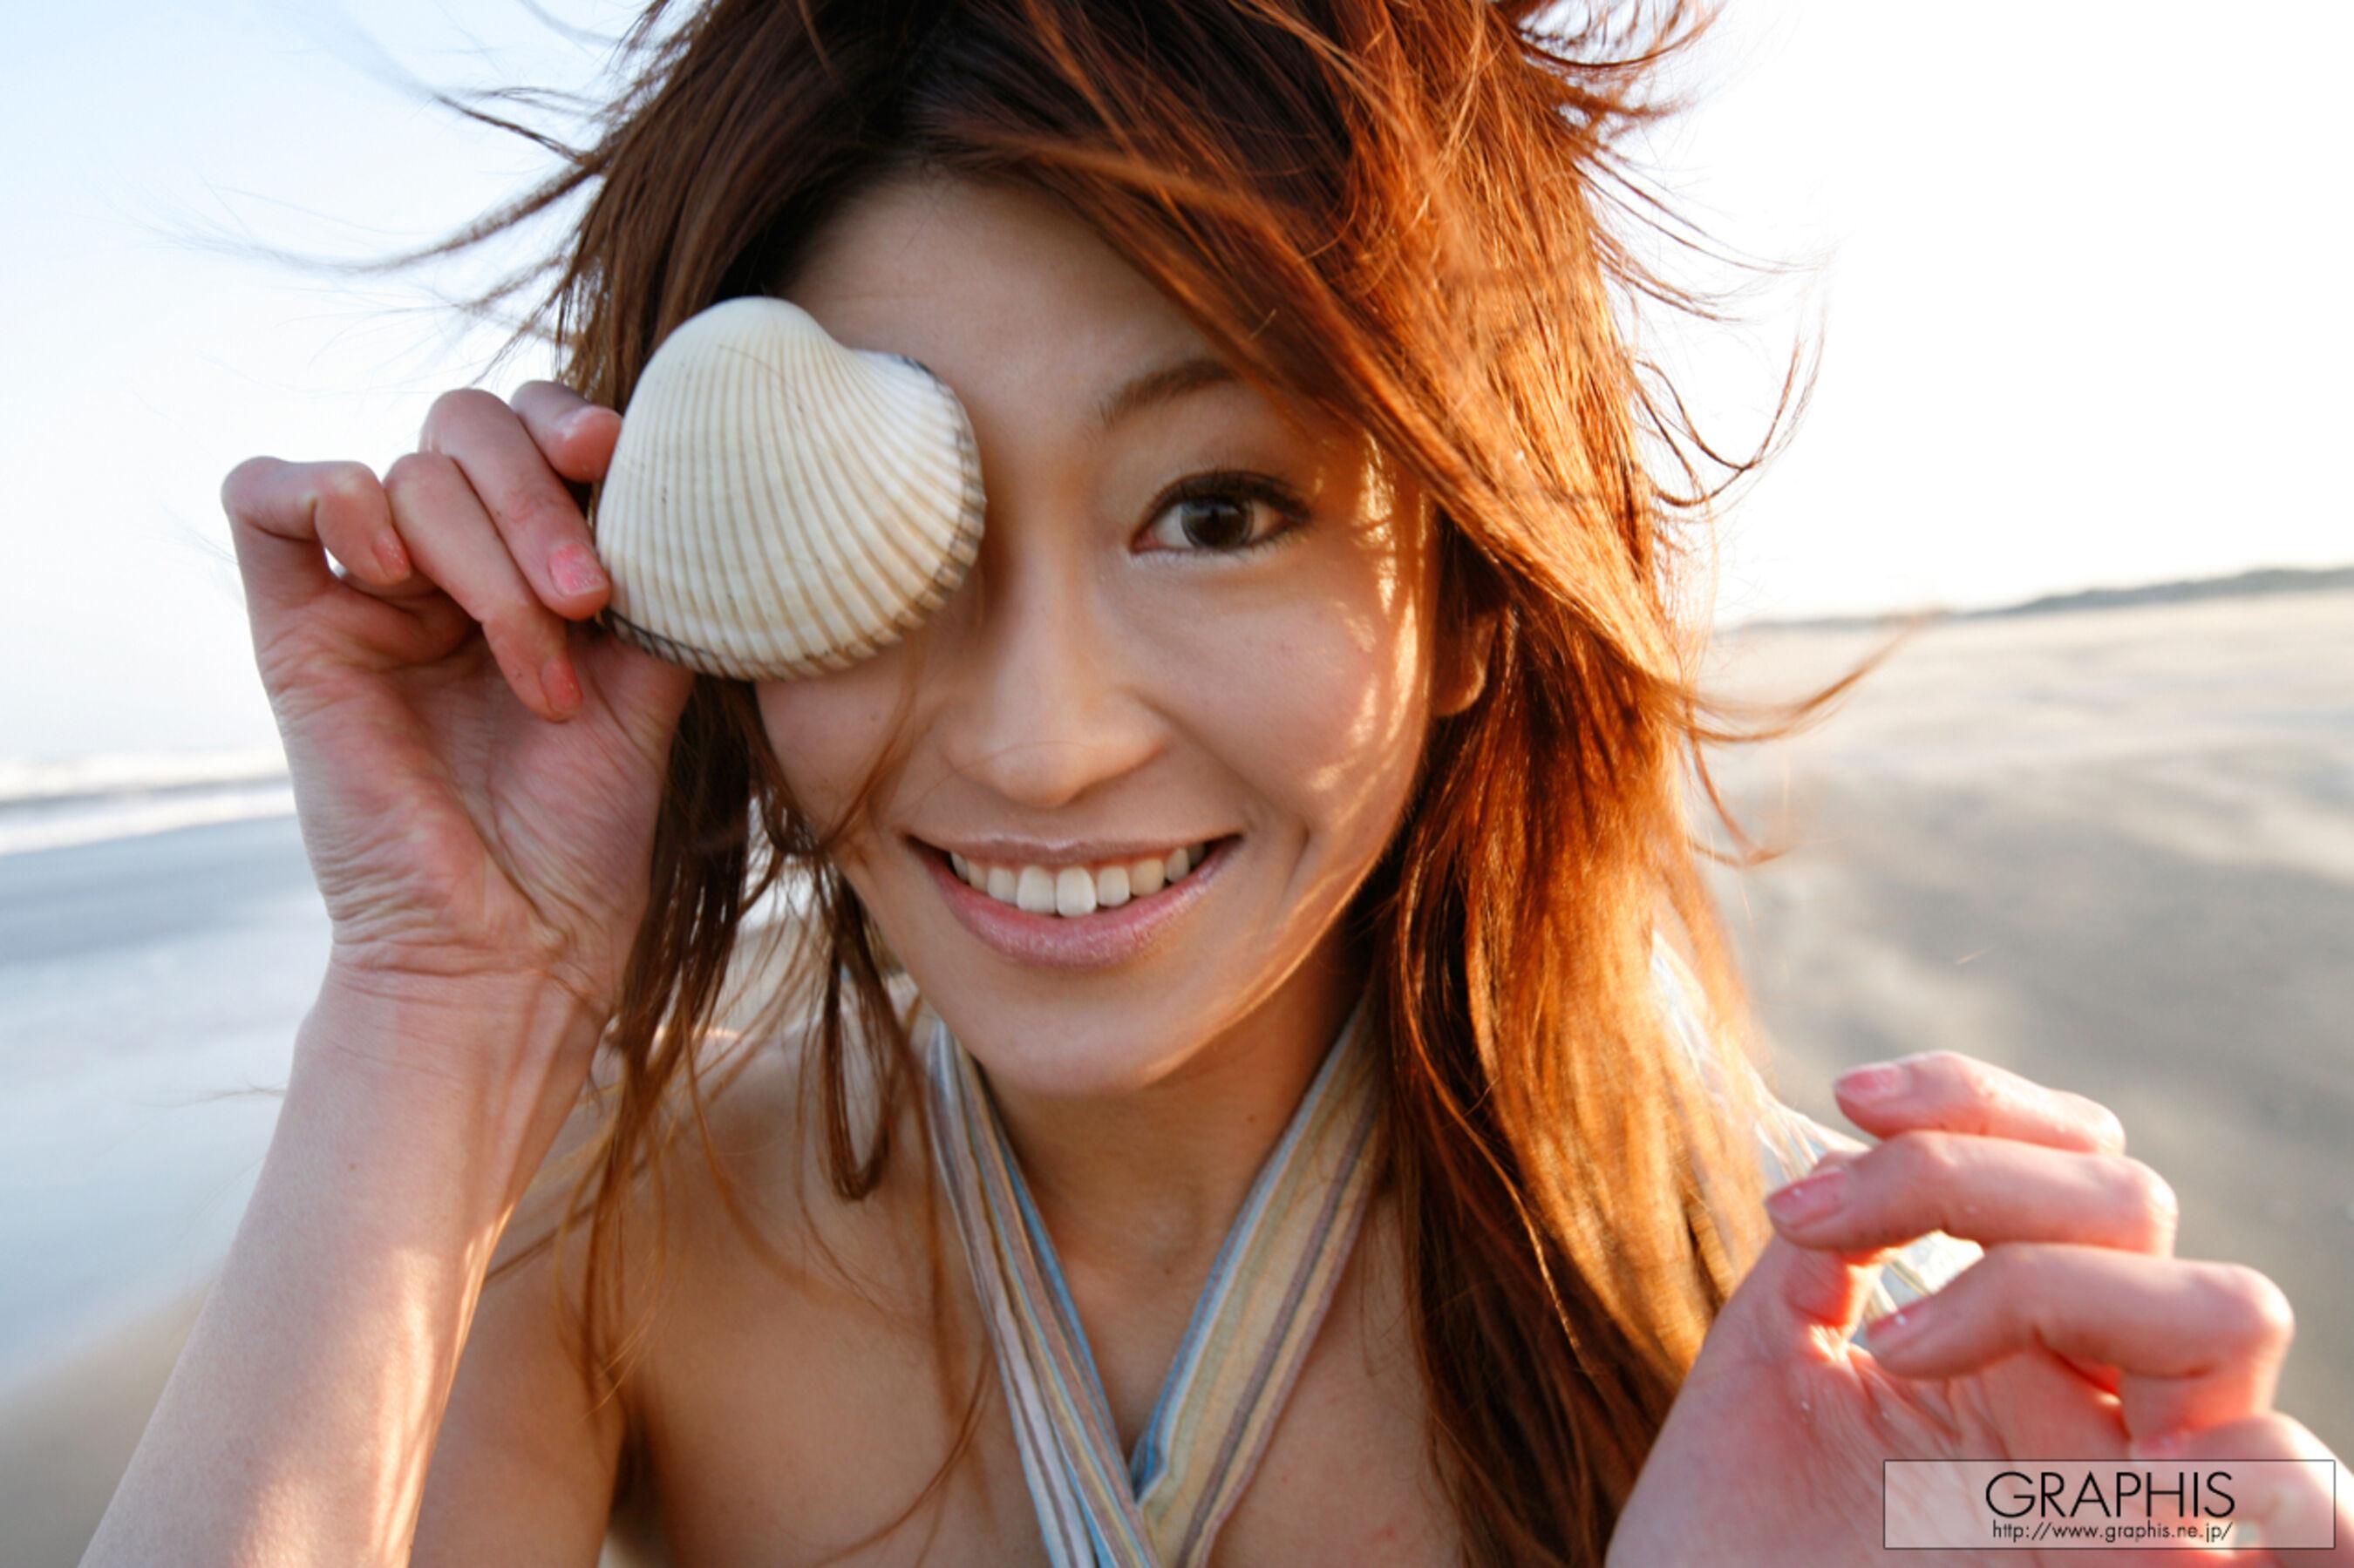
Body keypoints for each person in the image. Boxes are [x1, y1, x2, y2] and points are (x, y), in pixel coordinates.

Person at [87, 3, 2348, 1564]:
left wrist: (2200, 1503)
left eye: (1219, 509)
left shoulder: (1834, 1327)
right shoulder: (591, 1245)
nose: (1041, 737)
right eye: (899, 536)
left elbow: (2186, 1517)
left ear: (1476, 593)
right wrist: (437, 1002)